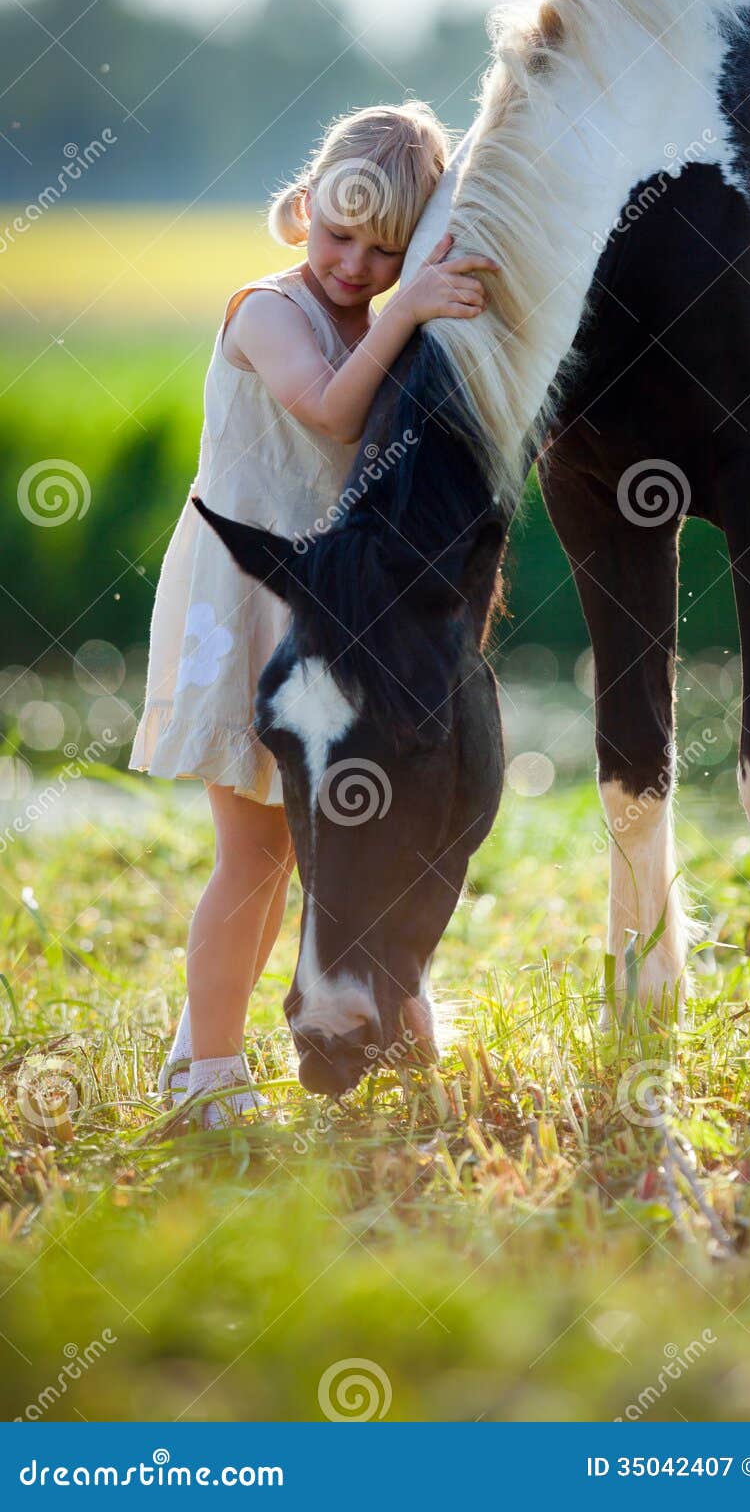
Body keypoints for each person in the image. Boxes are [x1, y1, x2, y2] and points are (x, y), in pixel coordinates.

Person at [127, 101, 499, 1126]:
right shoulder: (270, 310)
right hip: (245, 598)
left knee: (314, 842)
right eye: (339, 236)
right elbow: (332, 411)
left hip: (326, 609)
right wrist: (411, 305)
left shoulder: (373, 316)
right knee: (253, 851)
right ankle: (206, 1072)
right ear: (305, 213)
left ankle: (262, 1025)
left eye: (385, 251)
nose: (353, 266)